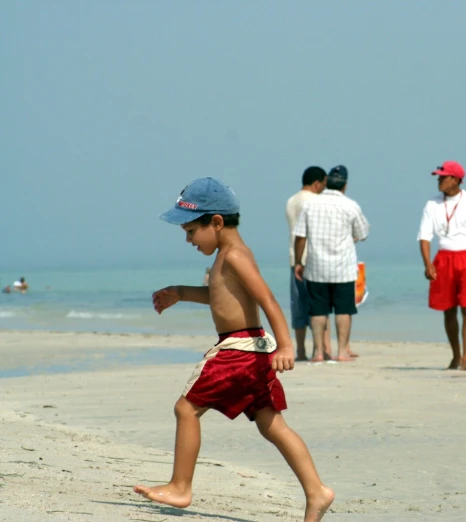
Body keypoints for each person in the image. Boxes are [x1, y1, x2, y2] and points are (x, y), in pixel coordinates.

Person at [134, 177, 333, 521]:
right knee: (272, 425)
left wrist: (286, 344)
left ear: (216, 222)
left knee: (186, 409)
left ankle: (181, 487)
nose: (188, 240)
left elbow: (267, 299)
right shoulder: (227, 257)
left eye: (191, 231)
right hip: (253, 350)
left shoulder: (236, 256)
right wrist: (179, 292)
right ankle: (317, 491)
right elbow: (219, 296)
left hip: (238, 350)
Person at [417, 161, 466, 372]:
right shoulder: (431, 204)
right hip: (443, 258)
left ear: (456, 179)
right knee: (448, 310)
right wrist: (427, 264)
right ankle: (455, 356)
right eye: (438, 177)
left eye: (443, 177)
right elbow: (424, 236)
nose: (439, 180)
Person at [294, 165, 370, 362]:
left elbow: (300, 237)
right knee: (344, 309)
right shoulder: (351, 205)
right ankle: (342, 351)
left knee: (318, 310)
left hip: (316, 266)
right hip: (343, 267)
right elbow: (363, 234)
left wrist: (297, 262)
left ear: (326, 182)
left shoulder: (311, 205)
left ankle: (318, 351)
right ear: (345, 185)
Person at [286, 166, 332, 361]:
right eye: (324, 183)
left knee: (299, 306)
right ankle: (322, 349)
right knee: (320, 307)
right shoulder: (316, 201)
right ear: (317, 183)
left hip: (294, 259)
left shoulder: (291, 201)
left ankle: (301, 350)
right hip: (315, 260)